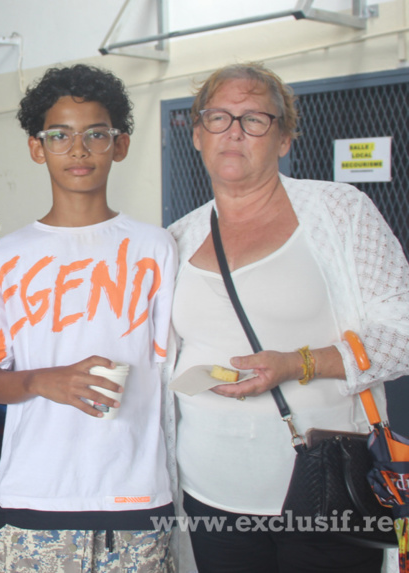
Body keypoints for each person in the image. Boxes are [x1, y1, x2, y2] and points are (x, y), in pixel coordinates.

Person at [168, 61, 409, 572]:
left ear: (283, 138)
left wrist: (298, 363)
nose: (234, 132)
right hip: (213, 493)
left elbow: (404, 333)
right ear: (197, 134)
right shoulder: (175, 239)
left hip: (326, 490)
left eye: (255, 118)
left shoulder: (340, 212)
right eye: (219, 118)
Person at [0, 64, 177, 572]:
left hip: (136, 496)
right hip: (36, 499)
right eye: (59, 135)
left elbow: (170, 372)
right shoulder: (8, 256)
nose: (77, 150)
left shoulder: (155, 247)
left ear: (119, 145)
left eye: (95, 134)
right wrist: (43, 380)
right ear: (37, 148)